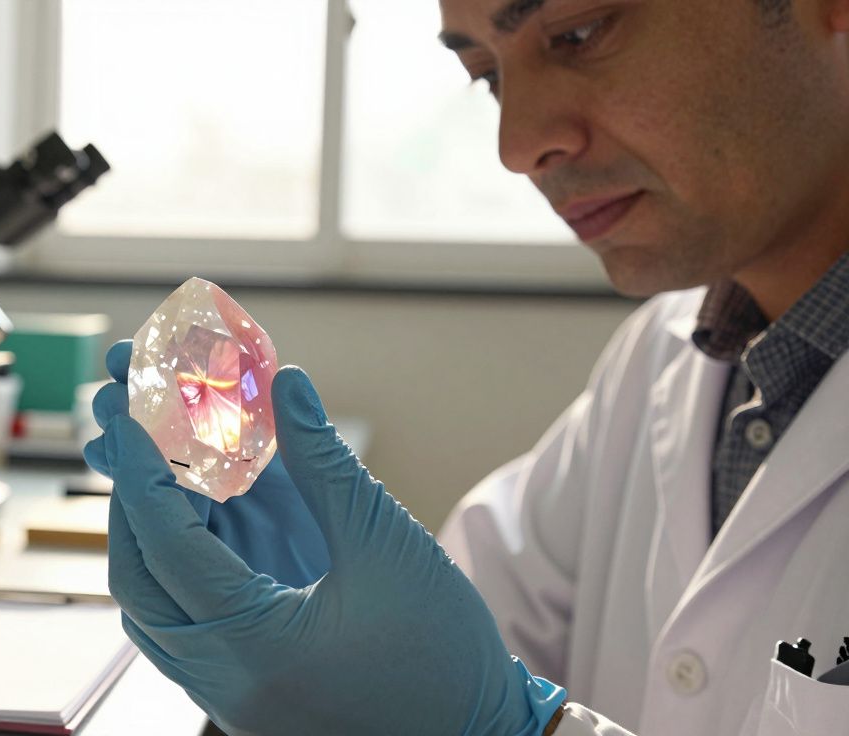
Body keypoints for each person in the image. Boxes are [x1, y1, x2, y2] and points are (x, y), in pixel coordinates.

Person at [84, 0, 849, 732]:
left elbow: (479, 701)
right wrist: (316, 606)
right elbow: (469, 634)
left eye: (580, 33)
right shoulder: (663, 362)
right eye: (487, 77)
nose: (516, 147)